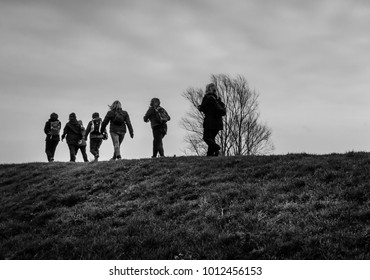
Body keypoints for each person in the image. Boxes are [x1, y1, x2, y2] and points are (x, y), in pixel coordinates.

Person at [198, 83, 226, 156]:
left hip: (209, 122)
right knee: (212, 138)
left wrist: (199, 107)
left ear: (207, 89)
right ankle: (210, 154)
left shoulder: (207, 97)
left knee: (206, 137)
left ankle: (216, 148)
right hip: (218, 123)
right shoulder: (218, 99)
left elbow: (202, 108)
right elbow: (222, 111)